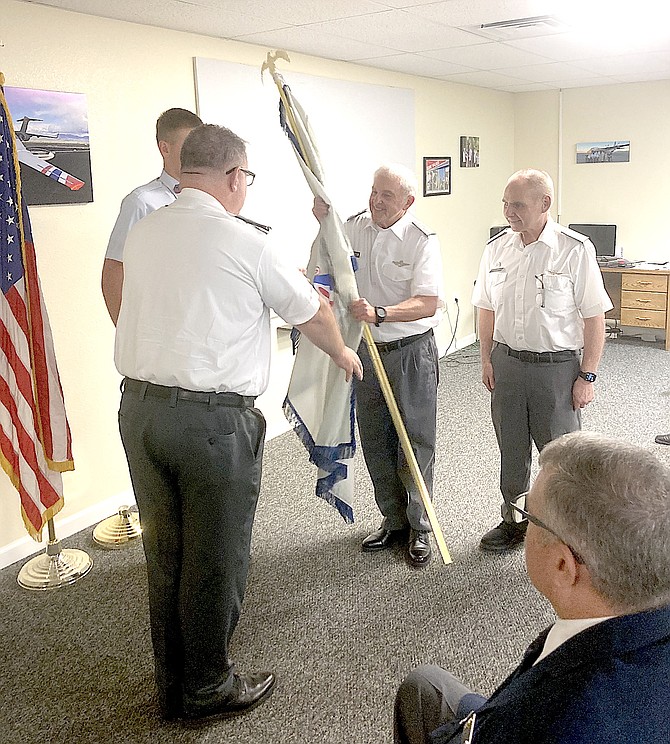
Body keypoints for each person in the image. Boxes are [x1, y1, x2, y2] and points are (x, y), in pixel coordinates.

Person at [115, 124, 362, 723]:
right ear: (231, 177)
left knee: (166, 552)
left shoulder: (145, 230)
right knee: (216, 557)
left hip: (140, 415)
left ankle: (172, 682)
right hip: (212, 427)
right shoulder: (246, 242)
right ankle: (207, 686)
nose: (246, 190)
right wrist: (343, 354)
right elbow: (311, 311)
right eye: (247, 179)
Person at [394, 431, 670, 744]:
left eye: (528, 514)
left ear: (563, 565)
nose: (523, 525)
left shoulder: (561, 722)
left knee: (421, 688)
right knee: (425, 686)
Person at [472, 169, 612, 552]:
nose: (508, 212)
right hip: (508, 365)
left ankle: (565, 532)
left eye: (516, 205)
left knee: (561, 456)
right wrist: (486, 358)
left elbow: (593, 316)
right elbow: (485, 308)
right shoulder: (497, 248)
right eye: (504, 203)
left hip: (557, 370)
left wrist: (588, 375)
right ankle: (514, 522)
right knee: (512, 451)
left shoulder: (573, 249)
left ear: (544, 204)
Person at [314, 163, 444, 567]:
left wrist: (381, 313)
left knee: (415, 443)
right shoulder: (354, 228)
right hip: (366, 354)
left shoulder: (421, 241)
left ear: (407, 202)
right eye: (374, 192)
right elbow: (329, 254)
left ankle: (420, 527)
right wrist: (323, 220)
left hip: (410, 353)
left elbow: (428, 301)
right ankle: (393, 520)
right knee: (376, 441)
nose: (376, 201)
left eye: (387, 195)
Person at [101, 107, 203, 325]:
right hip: (160, 327)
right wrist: (128, 335)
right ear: (165, 148)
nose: (196, 154)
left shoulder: (210, 198)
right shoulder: (142, 202)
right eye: (188, 147)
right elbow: (113, 272)